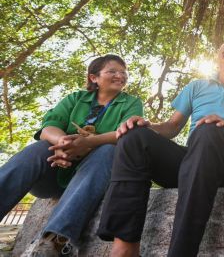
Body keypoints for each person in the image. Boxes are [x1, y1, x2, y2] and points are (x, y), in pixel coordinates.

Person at [97, 40, 224, 257]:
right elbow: (172, 127)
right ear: (223, 57)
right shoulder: (196, 87)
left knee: (208, 129)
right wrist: (147, 126)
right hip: (193, 162)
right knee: (134, 136)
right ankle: (125, 246)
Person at [0, 54, 143, 256]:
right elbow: (48, 127)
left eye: (123, 72)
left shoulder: (131, 103)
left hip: (94, 177)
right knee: (38, 148)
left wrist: (88, 143)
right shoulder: (75, 99)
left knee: (109, 150)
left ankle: (54, 242)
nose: (120, 75)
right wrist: (62, 144)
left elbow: (126, 134)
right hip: (54, 171)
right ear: (94, 77)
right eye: (112, 71)